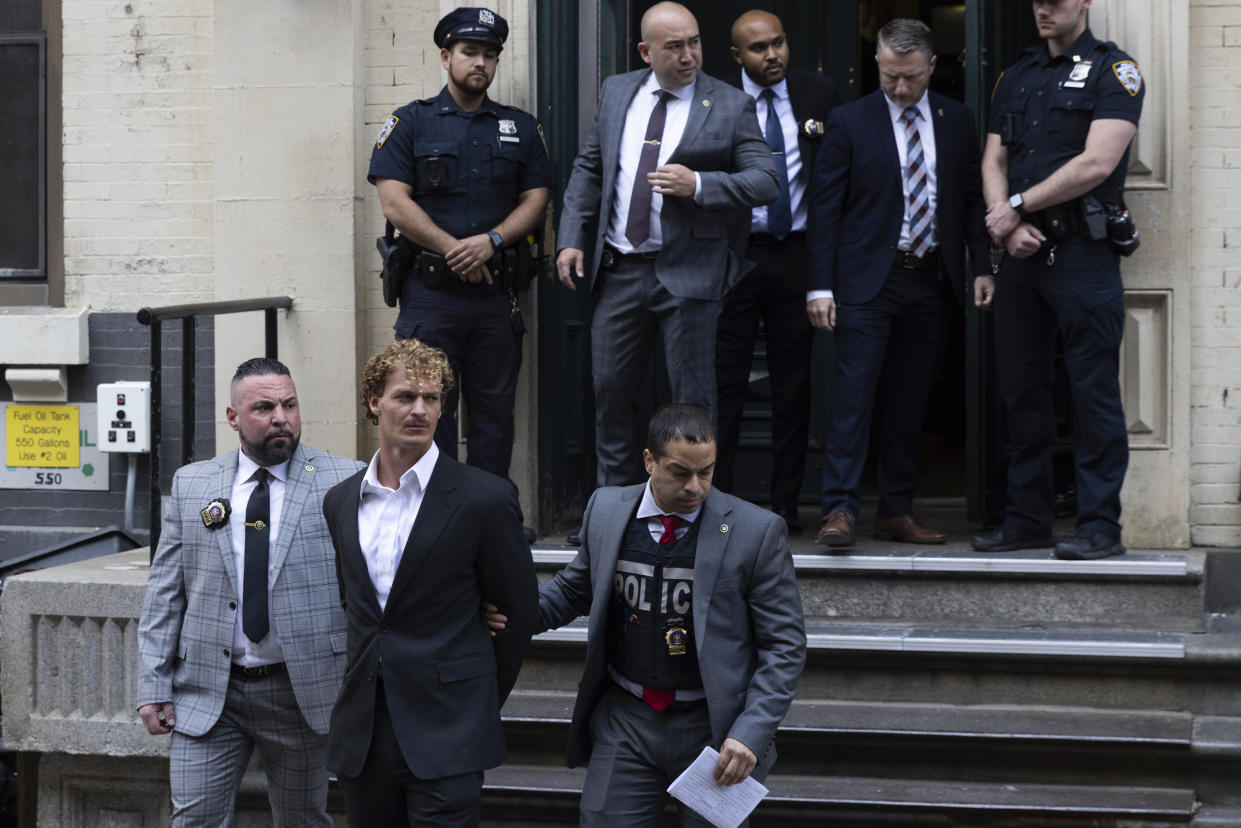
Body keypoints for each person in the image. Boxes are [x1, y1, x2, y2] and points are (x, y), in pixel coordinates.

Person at [489, 404, 805, 826]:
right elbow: (572, 590)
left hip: (713, 730)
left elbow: (784, 645)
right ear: (649, 461)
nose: (695, 486)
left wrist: (749, 732)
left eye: (706, 472)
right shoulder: (605, 509)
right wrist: (511, 614)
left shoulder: (755, 531)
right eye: (679, 472)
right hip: (627, 719)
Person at [556, 1, 780, 490]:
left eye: (694, 42)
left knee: (692, 404)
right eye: (674, 46)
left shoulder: (728, 103)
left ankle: (692, 510)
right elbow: (590, 169)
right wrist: (571, 237)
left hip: (690, 273)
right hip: (619, 270)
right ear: (645, 51)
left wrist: (699, 183)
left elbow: (766, 180)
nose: (689, 56)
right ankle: (612, 509)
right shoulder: (617, 92)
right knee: (610, 393)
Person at [137, 357, 364, 826]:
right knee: (194, 820)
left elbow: (373, 584)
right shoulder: (193, 483)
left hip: (302, 693)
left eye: (289, 404)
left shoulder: (345, 481)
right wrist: (153, 683)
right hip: (207, 693)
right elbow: (166, 592)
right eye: (264, 407)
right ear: (233, 417)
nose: (281, 418)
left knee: (303, 820)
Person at [322, 338, 538, 826]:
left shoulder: (484, 498)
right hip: (365, 734)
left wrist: (473, 701)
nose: (420, 410)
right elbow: (358, 609)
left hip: (449, 731)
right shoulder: (339, 501)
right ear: (375, 401)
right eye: (405, 396)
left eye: (432, 398)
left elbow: (519, 612)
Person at [806, 18, 990, 548]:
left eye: (909, 77)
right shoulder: (848, 120)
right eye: (889, 76)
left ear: (931, 66)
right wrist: (820, 286)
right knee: (853, 399)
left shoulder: (957, 120)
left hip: (931, 280)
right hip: (867, 283)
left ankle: (896, 510)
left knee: (911, 402)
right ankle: (838, 509)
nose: (900, 88)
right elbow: (826, 210)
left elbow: (974, 201)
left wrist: (981, 266)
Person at [972, 0, 1143, 560]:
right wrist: (1005, 225)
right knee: (1022, 393)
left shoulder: (1114, 71)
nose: (1042, 9)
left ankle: (1099, 526)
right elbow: (993, 159)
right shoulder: (1015, 73)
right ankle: (1028, 520)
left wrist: (1018, 206)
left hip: (1081, 255)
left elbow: (1097, 163)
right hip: (1021, 256)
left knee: (1092, 393)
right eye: (1036, 0)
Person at [368, 6, 552, 483]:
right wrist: (456, 248)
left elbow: (536, 201)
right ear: (446, 56)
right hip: (431, 299)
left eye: (491, 55)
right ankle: (435, 516)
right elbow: (394, 203)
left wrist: (491, 241)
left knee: (494, 417)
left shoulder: (522, 128)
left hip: (495, 297)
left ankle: (489, 520)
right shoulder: (410, 122)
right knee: (427, 411)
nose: (481, 64)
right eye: (470, 52)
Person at [714, 9, 841, 535]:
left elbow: (835, 182)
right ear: (737, 56)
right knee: (725, 385)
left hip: (796, 254)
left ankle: (785, 504)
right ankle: (716, 503)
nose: (773, 56)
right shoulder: (715, 98)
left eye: (779, 44)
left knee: (794, 386)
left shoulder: (820, 94)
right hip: (734, 258)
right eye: (760, 48)